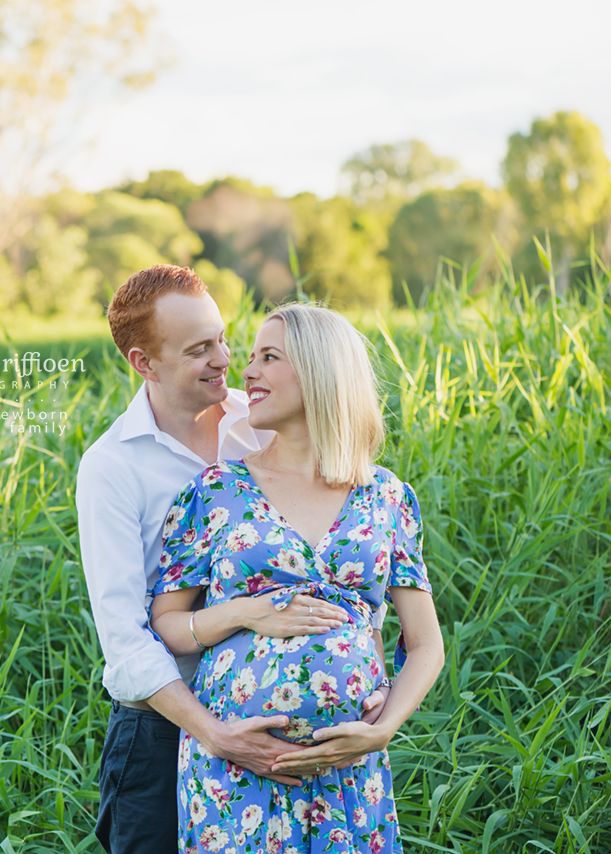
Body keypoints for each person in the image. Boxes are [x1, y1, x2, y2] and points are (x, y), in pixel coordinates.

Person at [76, 266, 391, 854]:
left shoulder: (267, 418)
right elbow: (125, 641)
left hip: (300, 733)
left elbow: (344, 548)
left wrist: (363, 660)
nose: (225, 358)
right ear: (145, 362)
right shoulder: (112, 467)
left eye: (223, 338)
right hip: (165, 726)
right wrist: (218, 736)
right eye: (200, 349)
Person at [149, 303, 445, 852]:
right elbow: (167, 623)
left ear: (318, 370)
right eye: (252, 357)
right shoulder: (214, 491)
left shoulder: (387, 496)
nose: (247, 371)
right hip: (236, 772)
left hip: (349, 769)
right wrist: (243, 612)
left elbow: (425, 643)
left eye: (269, 357)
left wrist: (382, 731)